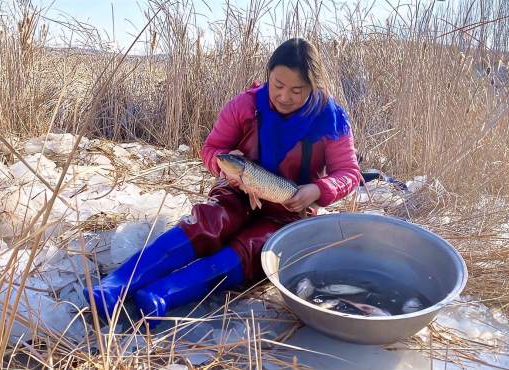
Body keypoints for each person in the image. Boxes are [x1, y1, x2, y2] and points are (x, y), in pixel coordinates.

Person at [83, 37, 362, 325]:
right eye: (278, 85)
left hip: (289, 209)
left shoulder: (331, 119)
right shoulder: (245, 105)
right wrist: (223, 164)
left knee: (252, 249)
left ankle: (162, 295)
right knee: (207, 223)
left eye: (297, 90)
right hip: (237, 191)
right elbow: (210, 149)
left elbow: (349, 173)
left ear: (313, 87)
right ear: (268, 75)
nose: (284, 96)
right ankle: (115, 285)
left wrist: (317, 189)